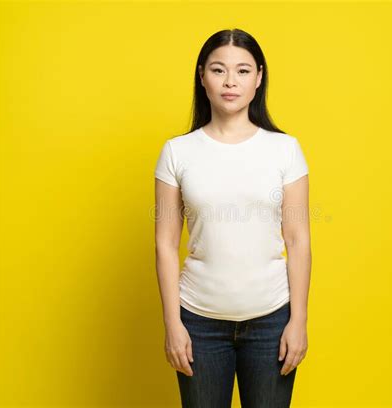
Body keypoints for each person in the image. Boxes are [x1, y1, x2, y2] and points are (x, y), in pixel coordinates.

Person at [154, 28, 311, 408]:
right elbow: (165, 243)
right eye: (218, 69)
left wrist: (298, 320)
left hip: (272, 320)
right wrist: (173, 324)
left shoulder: (284, 150)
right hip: (198, 323)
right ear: (201, 75)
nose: (230, 81)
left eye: (242, 71)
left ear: (258, 78)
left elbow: (298, 239)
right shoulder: (177, 152)